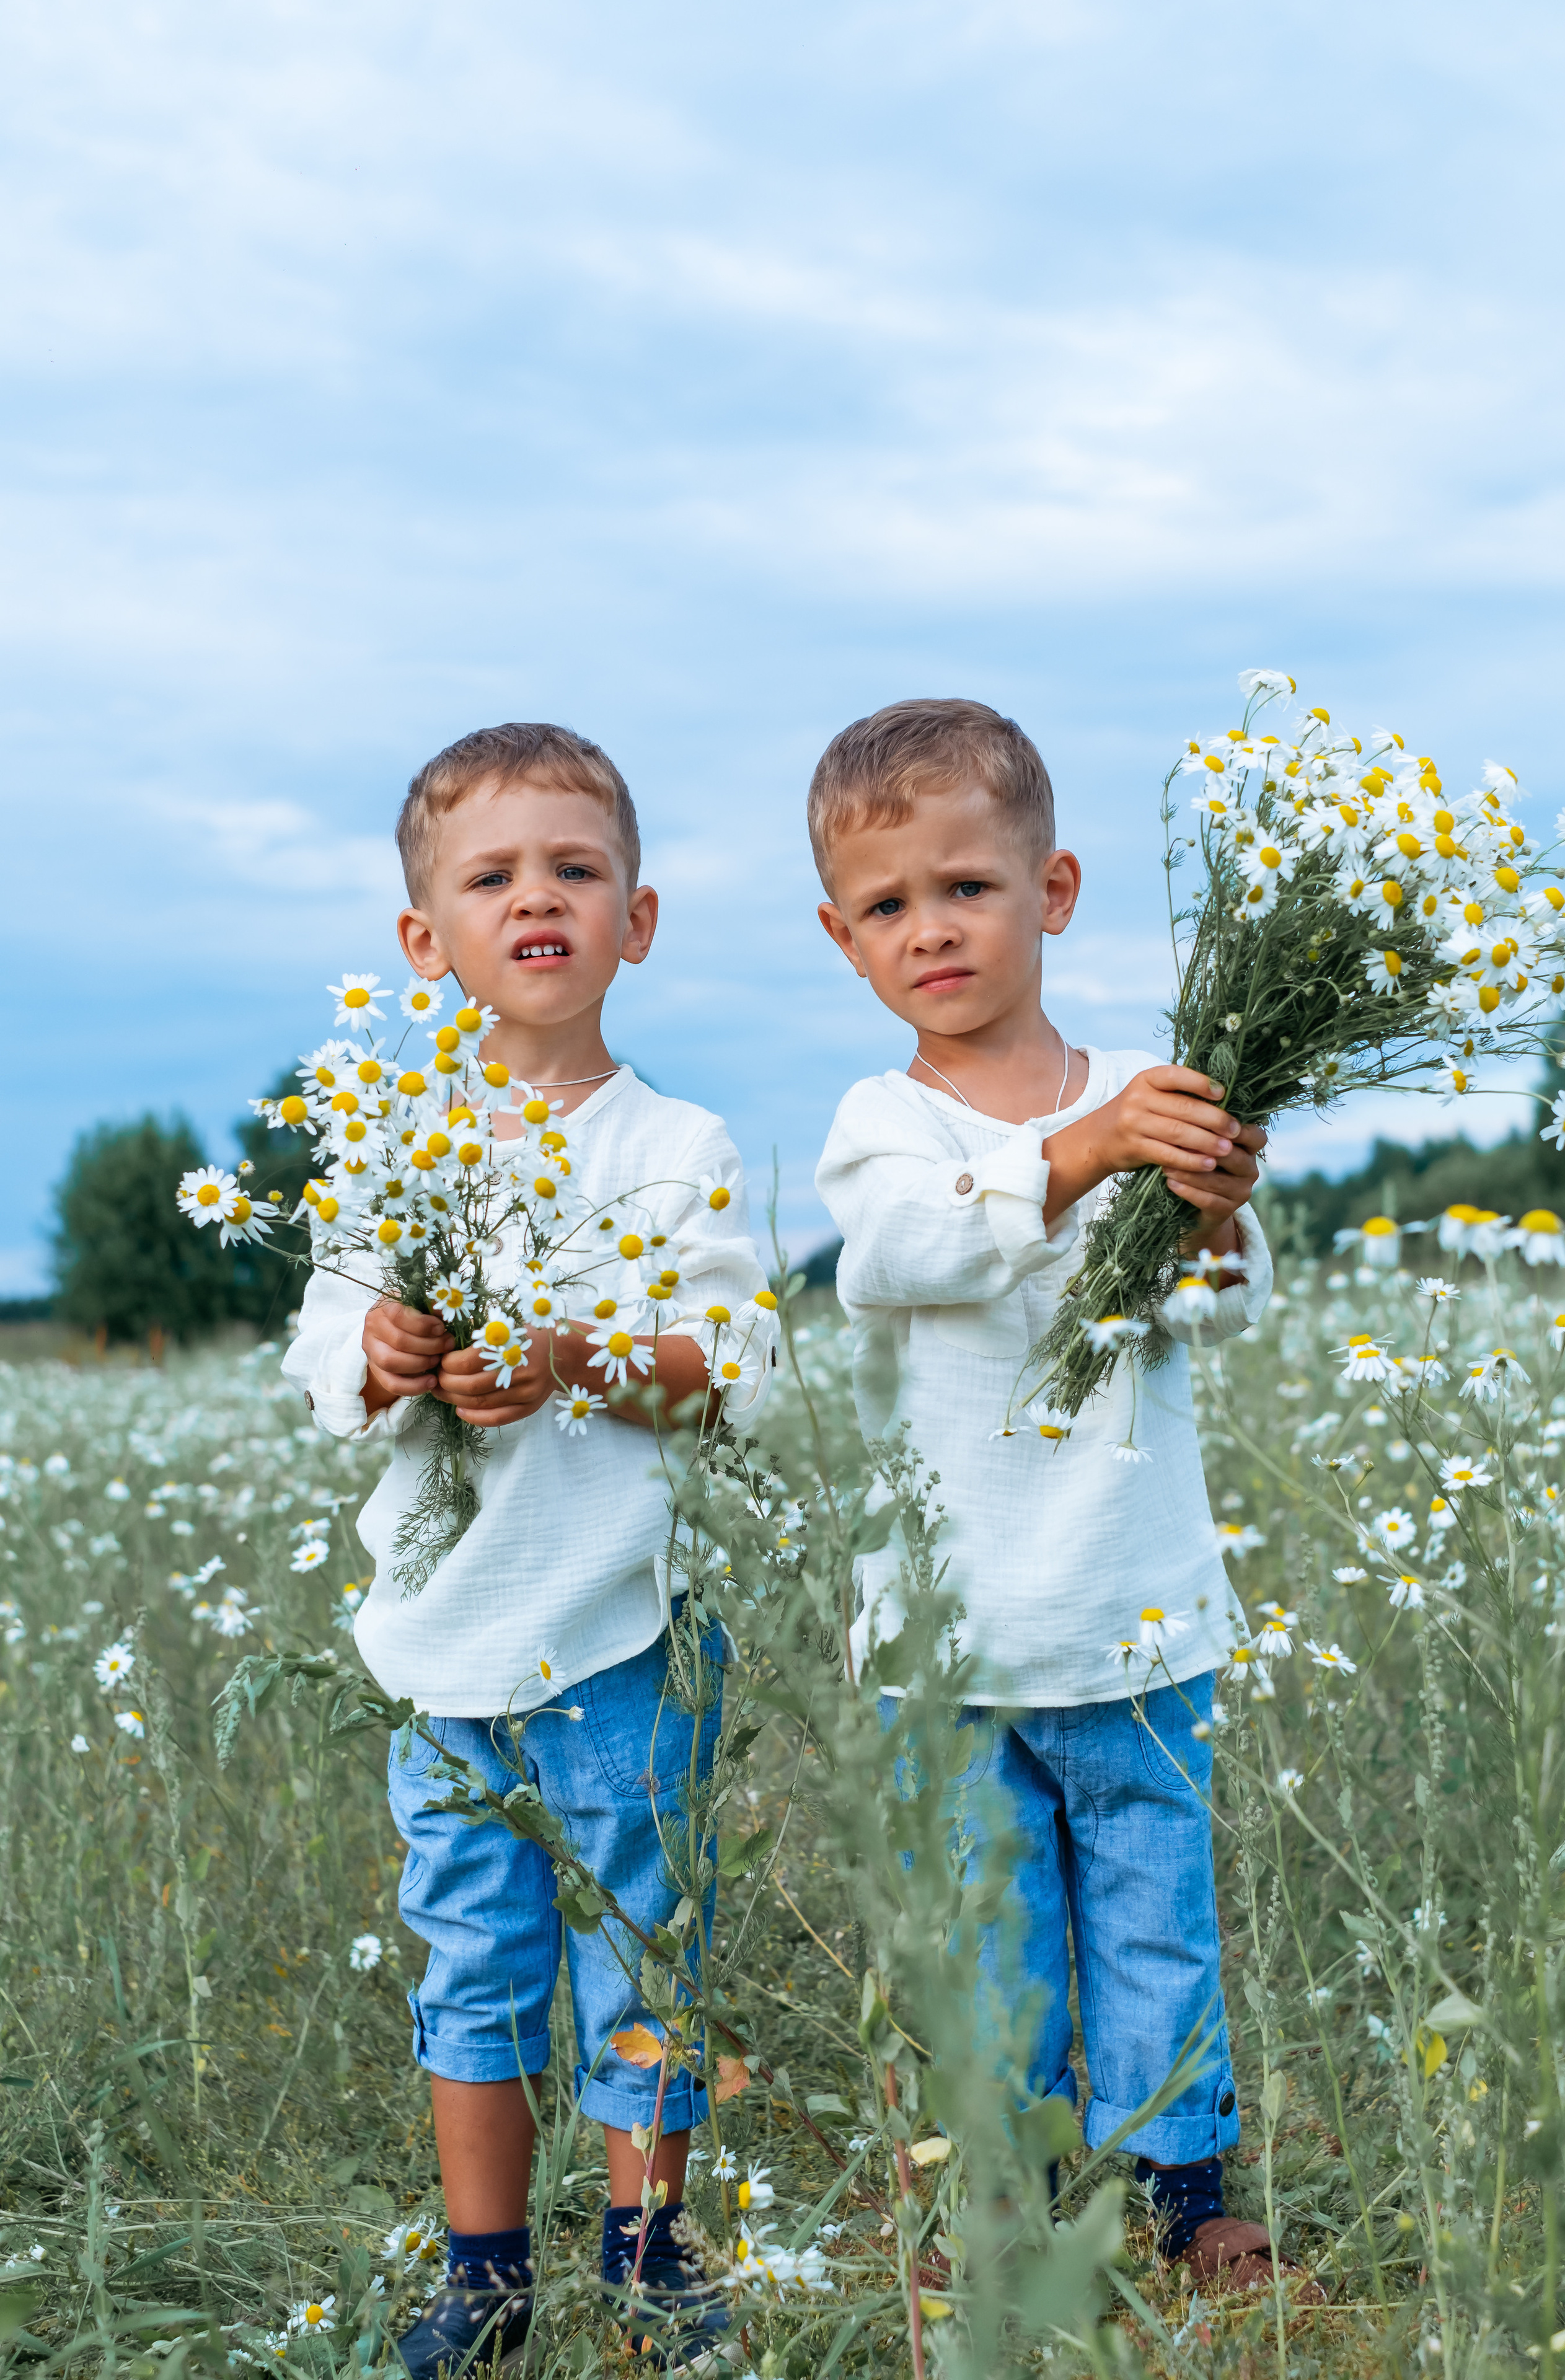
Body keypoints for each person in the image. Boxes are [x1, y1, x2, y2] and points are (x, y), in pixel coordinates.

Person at [808, 697, 1315, 2294]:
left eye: (968, 886)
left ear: (1058, 891)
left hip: (1134, 1606)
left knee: (1154, 1915)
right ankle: (1007, 2188)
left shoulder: (1151, 1086)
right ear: (843, 940)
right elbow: (896, 1256)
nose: (931, 929)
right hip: (946, 1646)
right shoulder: (885, 1125)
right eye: (888, 906)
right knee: (989, 1937)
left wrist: (1216, 1210)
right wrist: (1080, 1158)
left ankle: (1181, 2184)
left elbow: (1220, 1308)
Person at [283, 722, 769, 2372]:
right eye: (492, 876)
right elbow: (323, 1355)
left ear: (639, 918)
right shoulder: (390, 1146)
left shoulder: (675, 1149)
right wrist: (392, 1354)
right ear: (426, 945)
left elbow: (731, 1373)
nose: (537, 897)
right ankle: (482, 2285)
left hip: (621, 1638)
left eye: (576, 868)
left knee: (645, 1952)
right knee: (471, 1964)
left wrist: (578, 1360)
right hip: (445, 1652)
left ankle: (649, 2262)